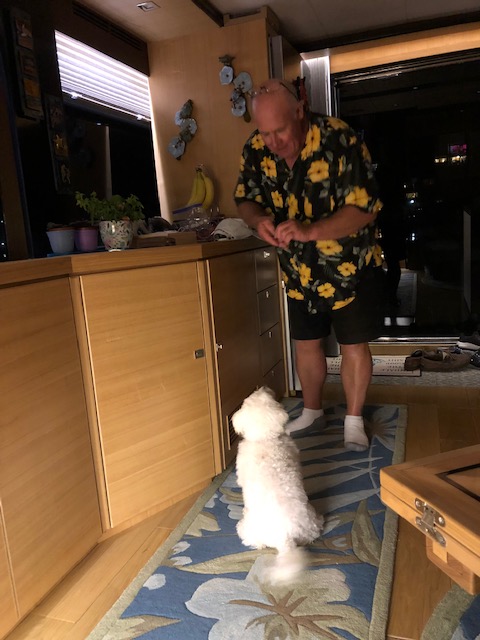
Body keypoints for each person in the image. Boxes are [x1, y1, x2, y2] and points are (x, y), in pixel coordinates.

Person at [234, 78, 385, 451]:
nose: (273, 141)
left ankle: (353, 420)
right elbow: (246, 198)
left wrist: (309, 230)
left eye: (280, 130)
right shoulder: (255, 148)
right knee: (305, 343)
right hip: (297, 269)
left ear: (300, 111)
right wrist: (258, 220)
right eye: (265, 132)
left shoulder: (339, 138)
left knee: (353, 344)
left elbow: (364, 208)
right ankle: (313, 410)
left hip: (348, 266)